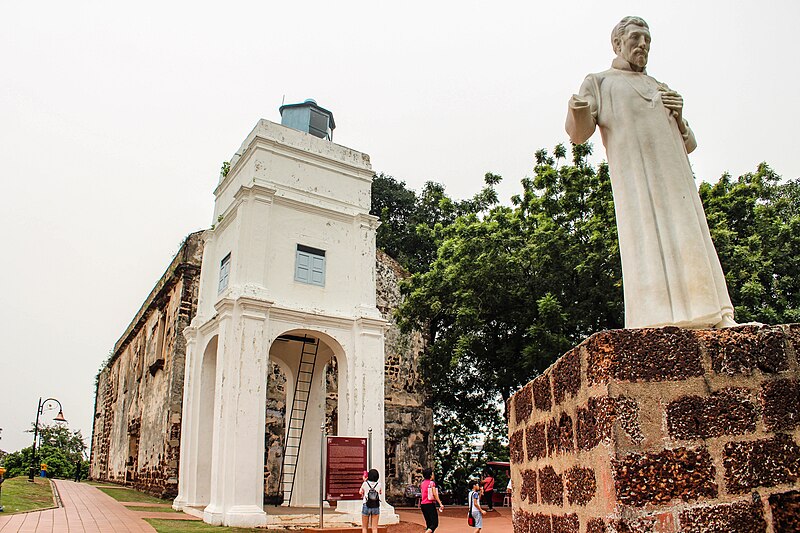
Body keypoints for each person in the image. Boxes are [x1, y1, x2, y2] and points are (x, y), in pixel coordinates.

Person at [566, 16, 736, 330]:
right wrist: (577, 109)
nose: (642, 44)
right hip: (637, 181)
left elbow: (690, 144)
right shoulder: (600, 82)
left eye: (647, 39)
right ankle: (656, 318)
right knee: (646, 238)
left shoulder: (660, 87)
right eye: (635, 37)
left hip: (675, 178)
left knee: (690, 233)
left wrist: (681, 118)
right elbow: (579, 133)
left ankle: (714, 314)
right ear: (618, 43)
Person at [419, 467, 444, 533]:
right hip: (430, 504)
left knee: (429, 524)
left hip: (423, 504)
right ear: (430, 475)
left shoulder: (422, 483)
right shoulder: (431, 483)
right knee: (434, 523)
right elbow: (435, 494)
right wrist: (440, 503)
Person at [359, 468, 382, 533]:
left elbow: (360, 492)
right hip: (375, 505)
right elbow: (380, 492)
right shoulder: (379, 484)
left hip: (366, 504)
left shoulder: (365, 484)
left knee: (364, 528)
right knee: (374, 528)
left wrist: (364, 481)